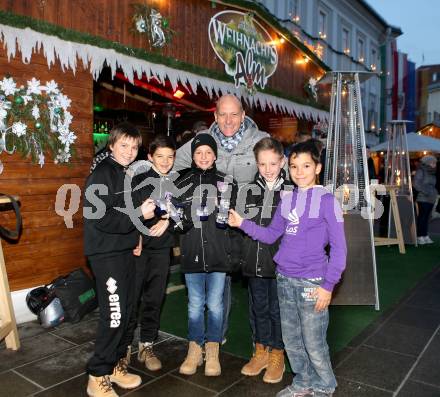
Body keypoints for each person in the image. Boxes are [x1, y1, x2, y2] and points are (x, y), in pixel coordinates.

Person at [229, 140, 347, 397]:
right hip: (284, 278)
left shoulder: (328, 201)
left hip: (312, 282)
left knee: (313, 341)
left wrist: (328, 286)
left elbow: (340, 249)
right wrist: (242, 223)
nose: (299, 171)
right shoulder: (288, 198)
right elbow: (272, 234)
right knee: (292, 340)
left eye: (306, 165)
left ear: (318, 167)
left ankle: (324, 386)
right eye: (294, 166)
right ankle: (303, 383)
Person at [174, 94, 269, 344]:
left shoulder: (260, 140)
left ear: (243, 115)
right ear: (214, 116)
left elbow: (275, 172)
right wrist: (184, 199)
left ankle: (261, 342)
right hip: (216, 226)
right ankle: (219, 337)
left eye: (234, 114)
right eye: (222, 114)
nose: (228, 120)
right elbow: (173, 166)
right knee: (222, 279)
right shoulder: (202, 141)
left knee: (256, 282)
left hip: (249, 225)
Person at [83, 122, 156, 397]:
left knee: (126, 313)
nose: (129, 151)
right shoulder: (102, 173)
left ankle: (114, 366)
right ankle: (97, 374)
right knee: (114, 316)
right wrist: (139, 215)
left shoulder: (129, 173)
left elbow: (129, 212)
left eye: (134, 146)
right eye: (124, 145)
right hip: (105, 254)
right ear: (111, 145)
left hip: (123, 249)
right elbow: (99, 217)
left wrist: (136, 236)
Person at [174, 133, 239, 377]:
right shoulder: (181, 183)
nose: (203, 156)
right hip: (191, 254)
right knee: (194, 305)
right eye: (198, 152)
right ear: (192, 156)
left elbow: (234, 220)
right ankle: (194, 348)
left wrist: (232, 251)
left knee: (215, 305)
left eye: (208, 152)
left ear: (215, 155)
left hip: (218, 255)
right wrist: (185, 219)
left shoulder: (226, 182)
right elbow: (175, 223)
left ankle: (213, 349)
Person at [239, 137, 290, 384]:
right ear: (256, 163)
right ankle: (260, 350)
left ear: (282, 161)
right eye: (262, 164)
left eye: (273, 163)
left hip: (281, 264)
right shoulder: (248, 190)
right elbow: (240, 226)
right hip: (255, 261)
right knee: (258, 307)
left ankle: (277, 354)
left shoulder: (291, 190)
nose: (268, 169)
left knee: (277, 309)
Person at [125, 135, 178, 372]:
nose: (165, 161)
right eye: (160, 156)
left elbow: (183, 214)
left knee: (154, 298)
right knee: (131, 298)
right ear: (149, 158)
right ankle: (123, 347)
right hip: (139, 249)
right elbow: (130, 213)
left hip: (162, 249)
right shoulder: (139, 180)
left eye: (170, 157)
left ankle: (147, 345)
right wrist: (135, 239)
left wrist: (169, 220)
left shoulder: (177, 181)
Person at [413, 155, 437, 245]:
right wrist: (426, 191)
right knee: (422, 217)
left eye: (435, 162)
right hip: (423, 197)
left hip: (431, 197)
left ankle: (425, 235)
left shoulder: (432, 172)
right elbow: (416, 184)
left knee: (427, 217)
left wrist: (434, 192)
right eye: (433, 162)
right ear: (428, 162)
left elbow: (433, 185)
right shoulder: (421, 171)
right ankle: (419, 236)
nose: (434, 164)